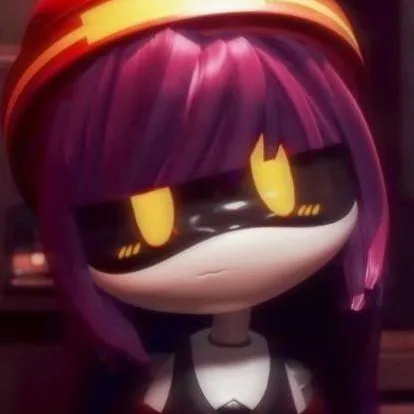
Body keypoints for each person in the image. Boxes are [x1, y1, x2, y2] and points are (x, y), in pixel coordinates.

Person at [2, 1, 388, 413]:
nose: (228, 239)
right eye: (152, 213)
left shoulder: (298, 380)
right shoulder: (163, 387)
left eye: (281, 185)